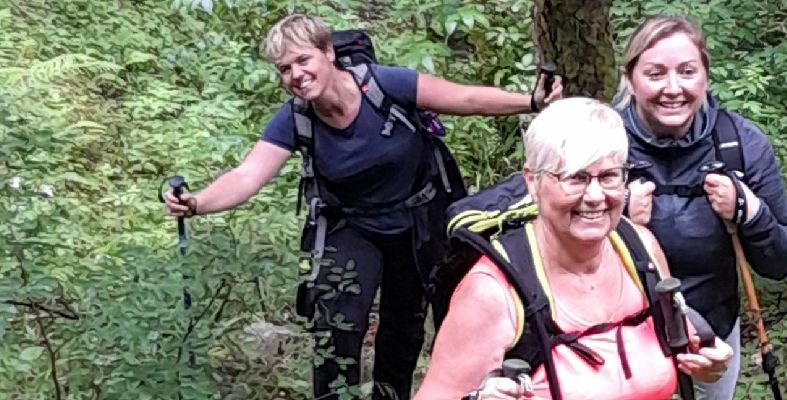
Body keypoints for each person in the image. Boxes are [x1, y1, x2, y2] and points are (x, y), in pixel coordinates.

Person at [161, 14, 561, 400]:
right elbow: (248, 175)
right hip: (351, 224)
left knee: (402, 329)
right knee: (338, 324)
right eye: (285, 69)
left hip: (416, 218)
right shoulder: (296, 120)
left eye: (304, 60)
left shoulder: (384, 85)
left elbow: (466, 97)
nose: (297, 75)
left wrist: (532, 101)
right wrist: (197, 203)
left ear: (327, 53)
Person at [413, 97, 734, 400]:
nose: (595, 195)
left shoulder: (640, 249)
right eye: (575, 178)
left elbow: (673, 353)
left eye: (609, 176)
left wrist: (706, 363)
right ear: (532, 181)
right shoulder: (492, 293)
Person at [613, 15, 787, 399]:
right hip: (617, 341)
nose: (673, 88)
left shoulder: (738, 144)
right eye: (655, 73)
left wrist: (749, 211)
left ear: (705, 76)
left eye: (687, 71)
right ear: (630, 80)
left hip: (711, 337)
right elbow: (552, 257)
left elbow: (782, 261)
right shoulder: (601, 143)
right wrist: (617, 225)